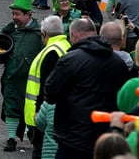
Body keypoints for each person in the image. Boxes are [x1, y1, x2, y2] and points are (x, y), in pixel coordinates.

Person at [45, 18, 129, 159]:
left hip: (73, 138)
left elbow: (50, 93)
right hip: (105, 138)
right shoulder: (118, 63)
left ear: (73, 35)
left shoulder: (70, 59)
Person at [0, 0, 42, 152]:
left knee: (29, 109)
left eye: (17, 14)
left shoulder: (39, 33)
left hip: (30, 81)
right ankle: (11, 139)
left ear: (28, 15)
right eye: (13, 14)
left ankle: (33, 136)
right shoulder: (10, 29)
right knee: (11, 107)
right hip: (10, 76)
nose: (14, 17)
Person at [24, 15, 71, 159]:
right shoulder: (66, 46)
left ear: (43, 34)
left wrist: (39, 116)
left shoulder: (51, 52)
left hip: (43, 118)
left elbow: (47, 88)